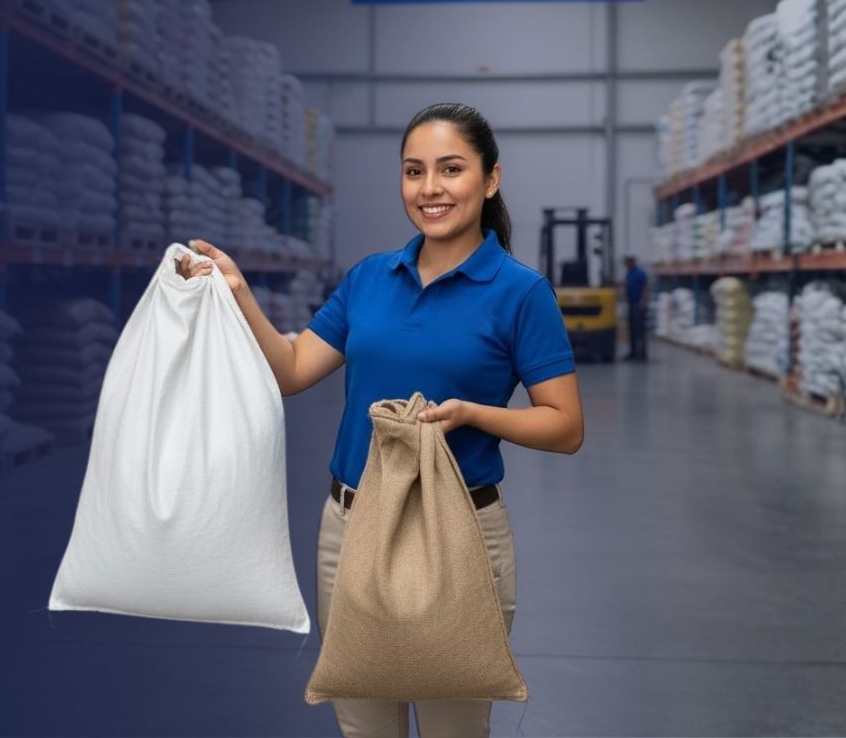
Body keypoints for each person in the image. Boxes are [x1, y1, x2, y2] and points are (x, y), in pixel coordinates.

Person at [176, 102, 584, 738]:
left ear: (490, 179)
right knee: (364, 728)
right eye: (414, 171)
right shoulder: (369, 278)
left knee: (453, 727)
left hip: (460, 533)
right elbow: (291, 370)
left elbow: (565, 426)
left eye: (451, 169)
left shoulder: (519, 292)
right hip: (352, 527)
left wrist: (472, 414)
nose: (430, 189)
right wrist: (238, 293)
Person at [623, 255, 649, 362]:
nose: (626, 265)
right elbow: (626, 287)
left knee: (640, 331)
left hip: (639, 304)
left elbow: (646, 287)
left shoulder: (640, 273)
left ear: (632, 262)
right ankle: (633, 352)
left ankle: (642, 354)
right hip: (631, 304)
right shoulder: (629, 273)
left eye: (627, 262)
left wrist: (643, 301)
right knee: (632, 329)